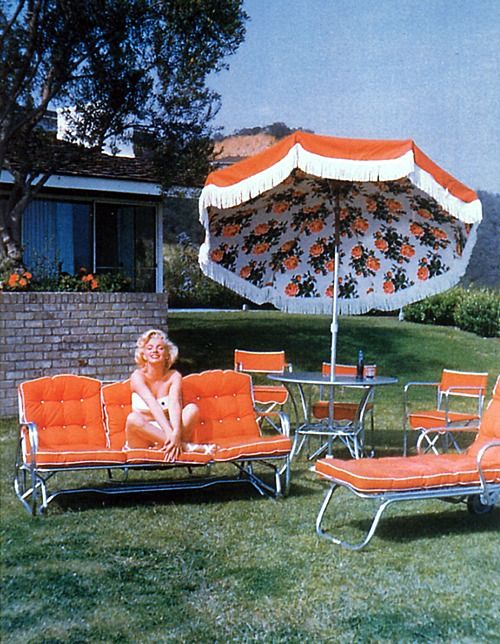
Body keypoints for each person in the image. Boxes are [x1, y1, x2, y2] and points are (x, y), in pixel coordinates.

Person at [125, 329, 213, 460]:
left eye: (160, 348)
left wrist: (176, 432)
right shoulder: (137, 377)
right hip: (143, 437)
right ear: (143, 354)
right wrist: (171, 435)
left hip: (170, 433)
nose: (154, 351)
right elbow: (153, 405)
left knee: (191, 409)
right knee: (132, 419)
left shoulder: (174, 376)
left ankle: (174, 445)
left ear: (167, 354)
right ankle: (186, 447)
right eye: (149, 348)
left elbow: (174, 404)